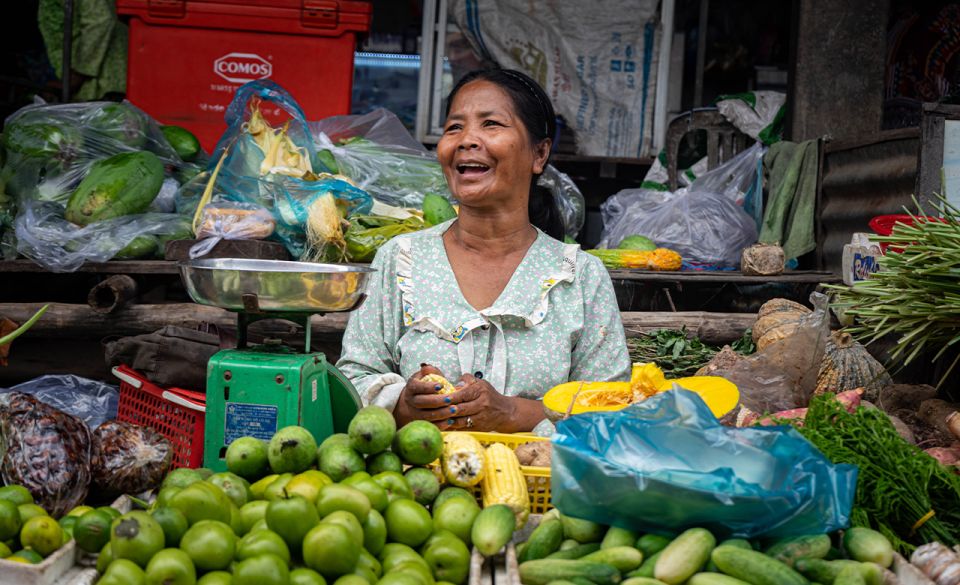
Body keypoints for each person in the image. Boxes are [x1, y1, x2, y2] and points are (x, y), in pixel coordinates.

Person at [336, 68, 630, 433]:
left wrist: (512, 413)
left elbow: (611, 409)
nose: (466, 140)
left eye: (491, 124)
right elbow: (354, 377)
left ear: (539, 154)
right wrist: (403, 407)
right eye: (454, 127)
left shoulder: (581, 278)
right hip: (414, 483)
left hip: (541, 484)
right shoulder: (401, 259)